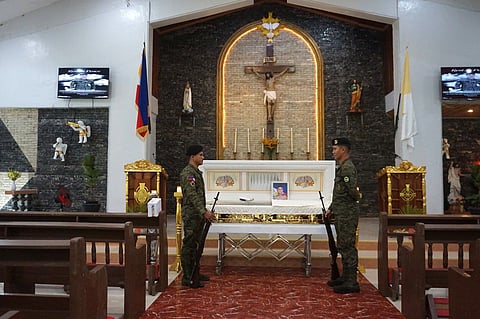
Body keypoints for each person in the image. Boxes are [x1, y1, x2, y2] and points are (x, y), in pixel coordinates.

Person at [325, 137, 361, 294]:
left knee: (347, 247)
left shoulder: (347, 168)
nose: (333, 152)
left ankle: (352, 282)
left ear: (343, 150)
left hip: (347, 213)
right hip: (341, 212)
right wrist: (332, 208)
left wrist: (349, 204)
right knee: (343, 245)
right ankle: (346, 277)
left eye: (335, 149)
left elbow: (352, 192)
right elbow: (340, 193)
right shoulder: (342, 167)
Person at [180, 144, 216, 288]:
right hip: (192, 215)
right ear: (192, 156)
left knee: (196, 245)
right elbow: (192, 195)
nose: (203, 157)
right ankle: (187, 276)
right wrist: (204, 211)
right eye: (200, 155)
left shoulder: (196, 172)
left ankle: (195, 272)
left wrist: (203, 210)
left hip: (198, 214)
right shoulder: (188, 173)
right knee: (189, 245)